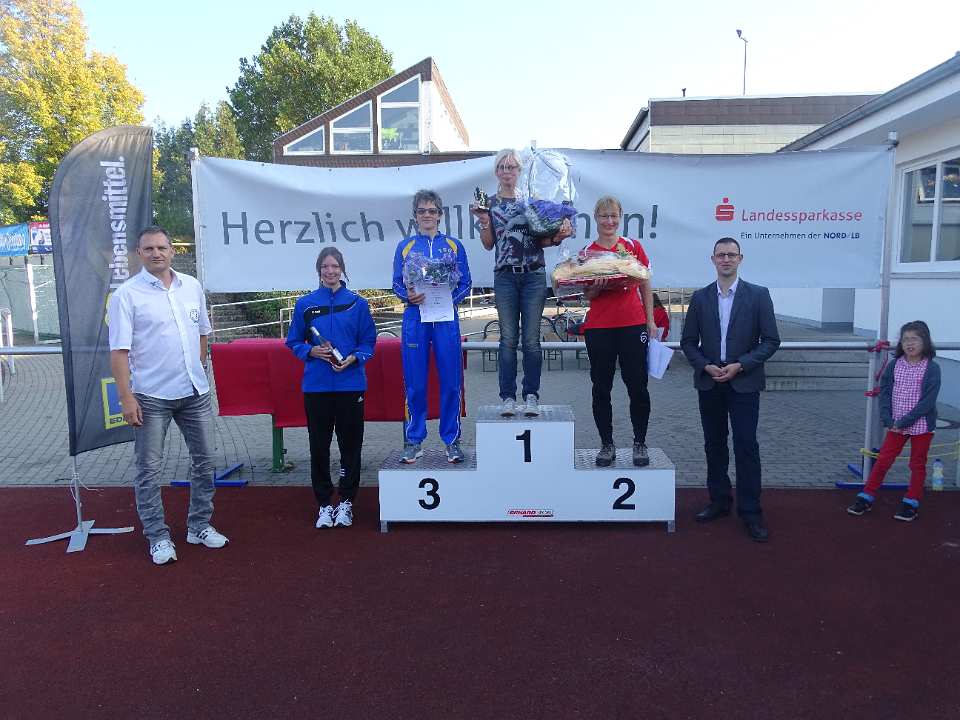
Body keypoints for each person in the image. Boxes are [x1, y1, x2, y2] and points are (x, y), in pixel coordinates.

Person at [108, 226, 227, 566]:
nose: (156, 253)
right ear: (139, 254)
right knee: (149, 470)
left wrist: (199, 367)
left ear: (173, 251)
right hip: (151, 396)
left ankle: (198, 526)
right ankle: (158, 537)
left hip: (194, 392)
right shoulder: (126, 295)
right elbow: (118, 352)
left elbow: (203, 332)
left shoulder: (192, 286)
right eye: (149, 248)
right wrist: (126, 398)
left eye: (162, 247)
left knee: (205, 462)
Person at [680, 237, 780, 543]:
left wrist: (741, 365)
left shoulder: (759, 295)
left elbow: (771, 340)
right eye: (721, 255)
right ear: (713, 259)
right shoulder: (700, 298)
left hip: (744, 382)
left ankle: (751, 512)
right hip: (710, 381)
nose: (726, 259)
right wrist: (705, 366)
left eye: (731, 255)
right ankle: (719, 501)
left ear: (740, 259)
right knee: (714, 444)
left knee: (746, 445)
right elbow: (688, 342)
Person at [471, 148, 572, 417]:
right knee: (507, 339)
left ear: (519, 171)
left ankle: (531, 396)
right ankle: (507, 397)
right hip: (505, 276)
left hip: (533, 276)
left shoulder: (532, 200)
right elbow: (488, 244)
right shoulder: (489, 203)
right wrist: (484, 221)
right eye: (502, 167)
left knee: (531, 340)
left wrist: (559, 237)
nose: (507, 171)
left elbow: (543, 240)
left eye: (512, 167)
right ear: (496, 172)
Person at [286, 248, 376, 529]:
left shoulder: (358, 304)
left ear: (342, 269)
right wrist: (310, 352)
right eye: (325, 266)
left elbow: (368, 343)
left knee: (351, 446)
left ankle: (346, 502)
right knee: (319, 446)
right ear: (319, 270)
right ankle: (324, 504)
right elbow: (293, 342)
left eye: (335, 266)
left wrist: (354, 358)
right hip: (317, 387)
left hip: (351, 385)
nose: (330, 271)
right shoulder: (305, 304)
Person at [392, 189, 472, 464]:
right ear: (415, 216)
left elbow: (466, 283)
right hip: (415, 318)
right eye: (422, 211)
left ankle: (452, 440)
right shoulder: (405, 246)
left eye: (432, 210)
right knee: (415, 382)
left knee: (451, 381)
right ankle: (414, 440)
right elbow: (396, 283)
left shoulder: (453, 245)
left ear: (440, 215)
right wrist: (407, 296)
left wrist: (450, 300)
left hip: (445, 319)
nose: (427, 215)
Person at [581, 196, 656, 468]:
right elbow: (585, 294)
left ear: (620, 217)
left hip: (632, 324)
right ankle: (606, 444)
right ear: (595, 218)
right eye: (604, 216)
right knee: (601, 388)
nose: (609, 221)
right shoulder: (587, 253)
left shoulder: (632, 248)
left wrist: (650, 320)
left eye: (613, 216)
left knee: (638, 386)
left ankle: (640, 442)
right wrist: (596, 287)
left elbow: (645, 284)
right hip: (599, 327)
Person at [847, 321, 941, 522]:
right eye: (905, 339)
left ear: (925, 341)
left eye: (914, 339)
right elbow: (885, 392)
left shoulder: (932, 368)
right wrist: (888, 418)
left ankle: (911, 502)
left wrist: (905, 421)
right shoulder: (894, 365)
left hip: (921, 425)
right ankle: (867, 495)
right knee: (883, 460)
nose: (909, 343)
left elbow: (928, 401)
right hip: (896, 425)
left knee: (917, 464)